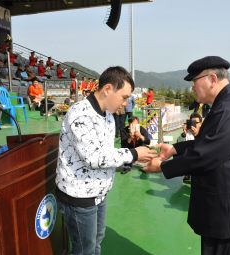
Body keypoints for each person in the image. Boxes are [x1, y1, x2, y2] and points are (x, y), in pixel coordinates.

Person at [143, 56, 230, 255]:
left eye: (194, 82)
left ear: (212, 79)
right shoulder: (228, 103)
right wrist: (175, 149)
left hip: (227, 210)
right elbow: (210, 143)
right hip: (228, 207)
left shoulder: (228, 110)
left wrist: (161, 167)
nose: (192, 88)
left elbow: (204, 155)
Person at [55, 66, 156, 255]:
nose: (126, 104)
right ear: (108, 89)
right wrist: (134, 154)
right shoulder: (81, 114)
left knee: (96, 242)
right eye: (124, 97)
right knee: (84, 249)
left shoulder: (108, 116)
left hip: (99, 193)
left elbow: (107, 152)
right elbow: (94, 158)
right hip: (80, 197)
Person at [176, 112, 203, 184]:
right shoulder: (187, 132)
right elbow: (179, 142)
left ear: (200, 123)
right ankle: (187, 173)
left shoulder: (204, 132)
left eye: (196, 122)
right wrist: (184, 134)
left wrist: (196, 134)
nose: (193, 124)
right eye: (192, 122)